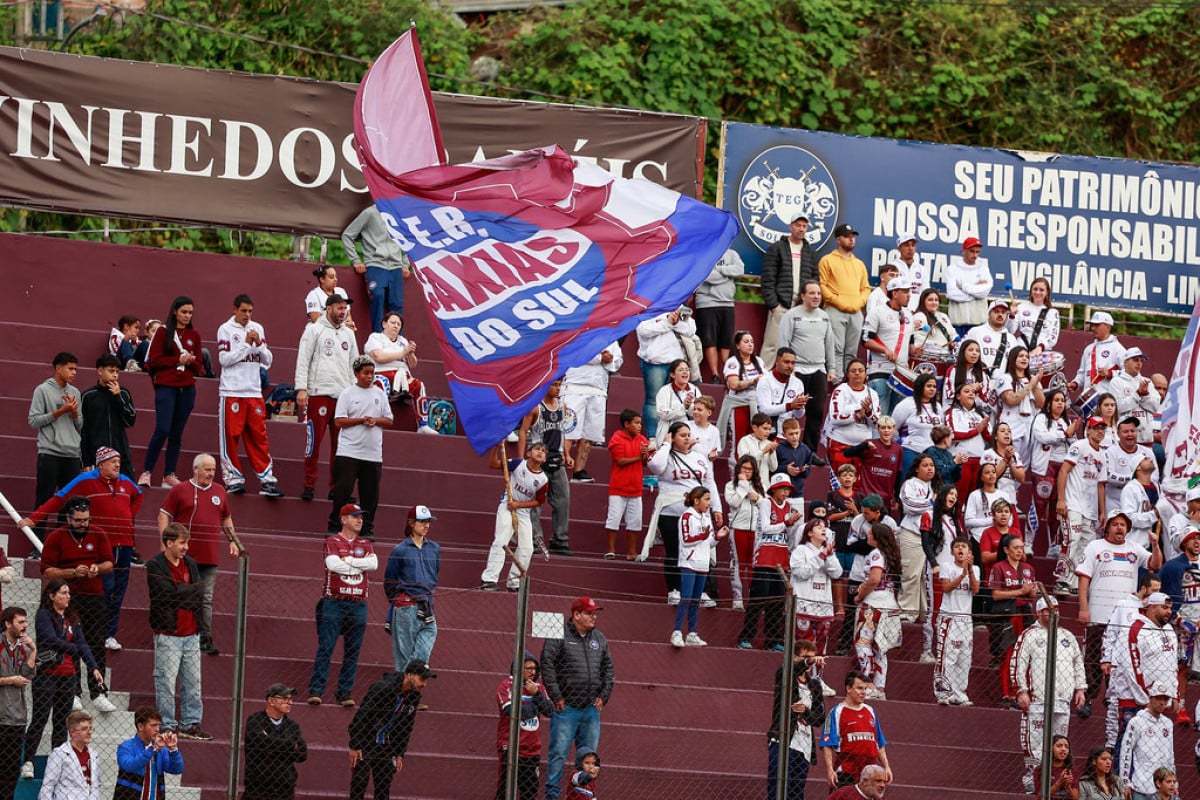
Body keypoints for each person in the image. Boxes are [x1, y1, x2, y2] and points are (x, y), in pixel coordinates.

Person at [20, 447, 141, 653]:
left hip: (125, 543)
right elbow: (60, 498)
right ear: (100, 464)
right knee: (105, 588)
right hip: (103, 545)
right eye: (113, 461)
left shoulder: (126, 482)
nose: (117, 465)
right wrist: (34, 518)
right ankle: (93, 632)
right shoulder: (85, 480)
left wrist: (129, 518)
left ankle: (110, 634)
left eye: (119, 461)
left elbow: (138, 496)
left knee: (119, 590)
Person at [1076, 510, 1162, 722]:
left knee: (1122, 661)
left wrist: (1156, 545)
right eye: (1115, 524)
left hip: (1126, 620)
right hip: (1099, 614)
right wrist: (1083, 608)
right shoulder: (1095, 547)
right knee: (1094, 659)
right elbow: (1083, 579)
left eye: (1123, 524)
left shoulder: (1134, 548)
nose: (1119, 528)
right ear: (1107, 527)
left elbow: (1155, 565)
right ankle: (1088, 699)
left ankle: (1112, 698)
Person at [38, 496, 116, 713]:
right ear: (68, 518)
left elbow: (110, 563)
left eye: (86, 519)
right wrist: (72, 572)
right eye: (79, 520)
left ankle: (99, 691)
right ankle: (74, 693)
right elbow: (46, 570)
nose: (83, 524)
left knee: (96, 644)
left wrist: (96, 569)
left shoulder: (98, 533)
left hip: (94, 596)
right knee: (71, 643)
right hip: (68, 598)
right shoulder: (57, 537)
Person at [158, 453, 238, 656]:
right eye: (207, 469)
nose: (211, 473)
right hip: (183, 555)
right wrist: (164, 542)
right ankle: (174, 633)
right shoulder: (180, 490)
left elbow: (226, 518)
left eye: (213, 469)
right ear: (195, 469)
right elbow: (163, 515)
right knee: (179, 594)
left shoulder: (220, 491)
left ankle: (205, 638)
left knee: (205, 598)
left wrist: (233, 541)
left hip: (209, 557)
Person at [25, 582, 103, 776]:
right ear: (52, 596)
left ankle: (56, 762)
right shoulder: (44, 615)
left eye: (69, 592)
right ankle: (28, 761)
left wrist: (93, 667)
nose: (68, 596)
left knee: (61, 721)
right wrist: (72, 648)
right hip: (47, 675)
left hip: (68, 677)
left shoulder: (71, 618)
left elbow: (82, 643)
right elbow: (50, 639)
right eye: (63, 592)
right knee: (40, 718)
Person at [540, 597, 613, 800]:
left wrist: (603, 697)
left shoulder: (599, 638)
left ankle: (585, 795)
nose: (593, 617)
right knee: (558, 756)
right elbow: (547, 664)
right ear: (576, 615)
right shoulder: (558, 635)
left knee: (588, 758)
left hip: (590, 708)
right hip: (567, 708)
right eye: (589, 613)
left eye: (595, 613)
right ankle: (552, 797)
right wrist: (556, 696)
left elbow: (609, 669)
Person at [1014, 597, 1087, 794]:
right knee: (1035, 742)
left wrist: (1080, 689)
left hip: (1062, 700)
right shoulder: (1029, 635)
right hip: (1037, 699)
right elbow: (1018, 663)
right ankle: (1034, 780)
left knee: (1060, 743)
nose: (1054, 613)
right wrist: (1021, 690)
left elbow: (1078, 664)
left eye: (1056, 609)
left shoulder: (1067, 636)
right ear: (1039, 613)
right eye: (1049, 609)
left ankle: (1057, 781)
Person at [644, 422, 722, 603]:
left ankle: (700, 592)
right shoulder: (666, 456)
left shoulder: (699, 458)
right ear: (672, 437)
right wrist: (666, 444)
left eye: (688, 435)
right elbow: (654, 466)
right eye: (682, 435)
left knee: (701, 552)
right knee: (674, 551)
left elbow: (710, 484)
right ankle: (674, 590)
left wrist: (716, 508)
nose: (687, 438)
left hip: (698, 513)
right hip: (671, 512)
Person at [308, 504, 377, 707]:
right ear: (344, 519)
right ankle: (317, 690)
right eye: (355, 516)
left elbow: (373, 564)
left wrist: (347, 560)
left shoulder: (365, 543)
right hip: (334, 601)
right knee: (326, 647)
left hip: (358, 603)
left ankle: (345, 692)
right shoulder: (332, 540)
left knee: (353, 650)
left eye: (361, 517)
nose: (359, 520)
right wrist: (357, 562)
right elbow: (333, 565)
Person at [145, 523, 208, 740]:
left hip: (191, 633)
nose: (186, 548)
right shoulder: (155, 565)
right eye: (182, 543)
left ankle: (191, 723)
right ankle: (168, 724)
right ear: (169, 543)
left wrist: (180, 592)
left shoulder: (190, 563)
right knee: (166, 683)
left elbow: (200, 592)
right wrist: (186, 592)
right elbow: (164, 595)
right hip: (168, 634)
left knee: (193, 683)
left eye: (187, 543)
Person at [216, 293, 283, 497]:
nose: (247, 315)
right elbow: (224, 360)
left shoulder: (258, 328)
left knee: (259, 437)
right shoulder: (225, 329)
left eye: (250, 311)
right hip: (232, 391)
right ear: (234, 309)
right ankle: (233, 479)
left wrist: (259, 345)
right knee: (231, 436)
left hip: (253, 391)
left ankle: (266, 479)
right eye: (243, 311)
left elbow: (268, 361)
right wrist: (246, 345)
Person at [295, 293, 359, 502]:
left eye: (345, 309)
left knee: (341, 446)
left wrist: (355, 393)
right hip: (319, 393)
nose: (343, 313)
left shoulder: (349, 335)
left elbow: (355, 365)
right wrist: (302, 389)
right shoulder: (314, 329)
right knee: (313, 443)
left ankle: (336, 488)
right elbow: (303, 360)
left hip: (343, 396)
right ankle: (308, 484)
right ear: (329, 308)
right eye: (340, 308)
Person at [140, 298, 202, 489]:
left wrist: (190, 361)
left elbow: (200, 365)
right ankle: (147, 472)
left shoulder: (194, 334)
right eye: (184, 312)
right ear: (175, 311)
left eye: (190, 312)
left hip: (187, 388)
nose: (187, 316)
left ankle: (169, 474)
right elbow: (153, 361)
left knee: (176, 433)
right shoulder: (163, 332)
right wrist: (178, 360)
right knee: (162, 429)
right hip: (166, 386)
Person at [327, 357, 393, 538]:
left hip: (373, 454)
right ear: (357, 374)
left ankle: (366, 529)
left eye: (372, 373)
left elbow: (389, 419)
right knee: (343, 490)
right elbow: (339, 421)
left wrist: (375, 420)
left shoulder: (380, 394)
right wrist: (361, 420)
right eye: (366, 373)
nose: (370, 376)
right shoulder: (348, 393)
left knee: (370, 495)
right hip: (349, 451)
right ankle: (335, 525)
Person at [348, 660, 432, 800]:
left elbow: (407, 726)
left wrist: (400, 753)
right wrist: (355, 745)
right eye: (422, 679)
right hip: (366, 742)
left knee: (383, 787)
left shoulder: (413, 696)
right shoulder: (382, 688)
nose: (424, 684)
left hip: (388, 746)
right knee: (359, 783)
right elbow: (362, 715)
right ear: (410, 675)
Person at [739, 475, 801, 651]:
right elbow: (766, 528)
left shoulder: (789, 507)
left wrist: (792, 525)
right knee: (759, 599)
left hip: (781, 558)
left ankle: (772, 641)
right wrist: (786, 523)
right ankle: (746, 637)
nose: (785, 492)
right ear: (773, 489)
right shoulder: (766, 503)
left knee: (777, 602)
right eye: (782, 488)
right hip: (765, 557)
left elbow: (789, 536)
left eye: (787, 489)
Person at [776, 281, 836, 450]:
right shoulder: (791, 315)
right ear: (802, 295)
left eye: (818, 293)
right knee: (791, 412)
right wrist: (787, 369)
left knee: (816, 412)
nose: (816, 296)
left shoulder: (824, 316)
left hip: (818, 369)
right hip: (797, 370)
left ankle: (810, 451)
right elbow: (783, 344)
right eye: (812, 293)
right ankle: (788, 447)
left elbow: (829, 343)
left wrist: (831, 368)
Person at [28, 352, 83, 529]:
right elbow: (33, 421)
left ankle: (64, 544)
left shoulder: (75, 392)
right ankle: (37, 545)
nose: (74, 373)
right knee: (44, 499)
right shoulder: (42, 390)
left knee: (69, 503)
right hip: (50, 452)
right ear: (58, 368)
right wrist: (60, 411)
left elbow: (80, 425)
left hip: (72, 454)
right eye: (70, 369)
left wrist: (73, 412)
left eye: (76, 369)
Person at [482, 445, 548, 591]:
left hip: (523, 512)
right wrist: (495, 447)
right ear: (529, 453)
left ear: (545, 459)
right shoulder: (518, 464)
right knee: (501, 540)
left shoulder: (543, 480)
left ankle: (514, 583)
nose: (540, 452)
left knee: (527, 548)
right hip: (507, 505)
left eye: (543, 452)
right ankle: (489, 580)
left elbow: (539, 501)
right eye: (537, 449)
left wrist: (519, 504)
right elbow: (493, 464)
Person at [1055, 417, 1109, 596]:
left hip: (1090, 509)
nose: (1100, 432)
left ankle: (1075, 582)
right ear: (1088, 430)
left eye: (1102, 428)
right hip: (1073, 503)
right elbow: (1063, 470)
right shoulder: (1079, 446)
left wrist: (1102, 512)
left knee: (1087, 545)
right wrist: (1061, 500)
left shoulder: (1103, 453)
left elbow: (1101, 485)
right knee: (1072, 539)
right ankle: (1062, 579)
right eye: (1096, 428)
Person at [519, 378, 574, 555]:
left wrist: (566, 454)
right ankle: (535, 540)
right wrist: (521, 460)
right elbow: (523, 432)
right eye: (554, 385)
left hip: (557, 460)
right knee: (535, 505)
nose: (558, 389)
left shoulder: (562, 406)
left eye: (559, 385)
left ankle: (560, 539)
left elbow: (563, 431)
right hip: (537, 462)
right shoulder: (536, 407)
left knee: (563, 502)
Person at [767, 639, 826, 800]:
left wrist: (805, 711)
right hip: (784, 740)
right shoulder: (784, 675)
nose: (810, 662)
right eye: (805, 657)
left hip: (805, 745)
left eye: (812, 657)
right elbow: (789, 671)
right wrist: (808, 662)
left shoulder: (814, 685)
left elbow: (819, 718)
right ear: (794, 657)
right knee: (778, 790)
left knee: (797, 793)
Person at [384, 505, 441, 671]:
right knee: (404, 654)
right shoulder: (400, 549)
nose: (426, 525)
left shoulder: (435, 548)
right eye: (422, 521)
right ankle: (405, 691)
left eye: (428, 521)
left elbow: (434, 574)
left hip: (427, 605)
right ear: (411, 523)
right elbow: (390, 581)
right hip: (406, 605)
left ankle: (412, 677)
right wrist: (399, 601)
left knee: (429, 635)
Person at [672, 487, 728, 648]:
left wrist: (718, 537)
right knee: (686, 598)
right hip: (689, 563)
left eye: (710, 499)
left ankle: (692, 633)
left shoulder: (706, 517)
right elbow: (686, 540)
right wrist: (702, 536)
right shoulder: (687, 516)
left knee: (696, 600)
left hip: (703, 564)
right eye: (707, 499)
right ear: (696, 500)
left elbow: (709, 543)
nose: (709, 503)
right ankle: (676, 631)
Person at [761, 214, 819, 367]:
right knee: (772, 345)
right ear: (790, 226)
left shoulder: (810, 252)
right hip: (781, 304)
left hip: (802, 307)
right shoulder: (777, 248)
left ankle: (794, 382)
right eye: (798, 225)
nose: (801, 229)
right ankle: (762, 378)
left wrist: (809, 304)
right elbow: (767, 279)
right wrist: (774, 305)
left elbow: (815, 280)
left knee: (798, 346)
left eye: (804, 226)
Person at [494, 653, 554, 800]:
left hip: (532, 749)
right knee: (505, 790)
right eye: (528, 668)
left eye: (534, 668)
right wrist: (535, 705)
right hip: (510, 747)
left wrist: (537, 695)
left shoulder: (538, 688)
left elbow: (550, 711)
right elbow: (512, 711)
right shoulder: (506, 686)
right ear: (518, 668)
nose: (532, 672)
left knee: (530, 792)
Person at [853, 524, 902, 699]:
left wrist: (860, 594)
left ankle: (868, 684)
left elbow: (874, 579)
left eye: (871, 533)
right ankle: (880, 687)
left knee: (863, 643)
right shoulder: (891, 555)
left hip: (873, 604)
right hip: (890, 603)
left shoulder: (875, 554)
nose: (868, 534)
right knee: (880, 648)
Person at [342, 204, 411, 329]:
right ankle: (377, 338)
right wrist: (356, 260)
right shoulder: (370, 213)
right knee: (378, 296)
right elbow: (347, 235)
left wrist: (405, 264)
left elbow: (410, 238)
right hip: (375, 264)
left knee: (396, 304)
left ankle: (397, 342)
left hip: (396, 266)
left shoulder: (399, 212)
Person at [820, 671, 893, 789]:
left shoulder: (870, 711)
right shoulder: (837, 712)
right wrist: (829, 770)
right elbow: (827, 744)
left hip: (869, 771)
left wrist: (887, 766)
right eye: (859, 688)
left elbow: (879, 742)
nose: (863, 692)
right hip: (847, 770)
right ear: (848, 688)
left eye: (865, 689)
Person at [562, 342, 622, 482]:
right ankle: (558, 467)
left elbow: (618, 360)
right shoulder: (580, 331)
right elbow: (574, 352)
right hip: (575, 385)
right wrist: (599, 358)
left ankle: (579, 470)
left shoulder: (611, 337)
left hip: (598, 388)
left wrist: (610, 359)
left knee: (591, 433)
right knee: (568, 429)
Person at [635, 308, 696, 442]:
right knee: (653, 400)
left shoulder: (677, 304)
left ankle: (677, 436)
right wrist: (667, 322)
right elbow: (643, 330)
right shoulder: (647, 305)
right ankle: (652, 437)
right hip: (655, 362)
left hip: (677, 362)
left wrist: (675, 323)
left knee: (681, 398)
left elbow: (691, 330)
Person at [990, 535, 1037, 705]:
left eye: (1021, 547)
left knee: (1025, 655)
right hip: (1007, 615)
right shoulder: (998, 567)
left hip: (1025, 614)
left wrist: (1032, 591)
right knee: (1008, 655)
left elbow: (1031, 595)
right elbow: (995, 595)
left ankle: (1021, 692)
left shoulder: (1028, 568)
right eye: (1015, 547)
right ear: (1006, 550)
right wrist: (1019, 591)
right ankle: (1007, 693)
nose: (1019, 551)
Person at [818, 223, 871, 375]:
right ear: (838, 239)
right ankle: (835, 381)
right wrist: (838, 301)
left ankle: (850, 381)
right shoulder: (827, 260)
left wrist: (859, 303)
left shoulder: (859, 264)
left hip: (856, 312)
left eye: (853, 237)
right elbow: (822, 285)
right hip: (835, 309)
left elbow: (865, 288)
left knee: (851, 350)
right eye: (847, 237)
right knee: (836, 348)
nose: (851, 240)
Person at [1031, 389, 1078, 557]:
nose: (1060, 403)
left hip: (1062, 468)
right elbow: (1042, 437)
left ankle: (1054, 545)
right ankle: (1028, 542)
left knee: (1056, 508)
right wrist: (1065, 434)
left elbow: (1074, 444)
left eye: (1062, 400)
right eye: (1056, 400)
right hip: (1045, 467)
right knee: (1039, 506)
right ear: (1049, 403)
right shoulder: (1041, 418)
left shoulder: (1066, 421)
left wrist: (1070, 436)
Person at [364, 313, 429, 428]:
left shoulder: (403, 341)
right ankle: (378, 419)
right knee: (382, 382)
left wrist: (410, 352)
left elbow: (413, 364)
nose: (396, 326)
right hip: (381, 373)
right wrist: (402, 353)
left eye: (399, 324)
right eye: (393, 323)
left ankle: (423, 425)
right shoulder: (375, 337)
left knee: (419, 385)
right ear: (384, 324)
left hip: (403, 377)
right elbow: (378, 356)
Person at [243, 684, 307, 800]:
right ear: (271, 701)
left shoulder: (293, 726)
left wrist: (271, 745)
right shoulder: (255, 720)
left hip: (285, 788)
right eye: (285, 699)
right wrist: (290, 745)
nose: (290, 702)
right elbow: (259, 743)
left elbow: (302, 755)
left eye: (290, 699)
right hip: (258, 788)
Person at [934, 538, 978, 706]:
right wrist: (962, 575)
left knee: (964, 658)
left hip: (966, 619)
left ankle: (960, 693)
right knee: (947, 657)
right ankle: (944, 692)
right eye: (957, 546)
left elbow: (975, 590)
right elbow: (946, 588)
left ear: (969, 552)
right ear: (952, 552)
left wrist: (970, 572)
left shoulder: (976, 569)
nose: (960, 549)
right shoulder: (947, 567)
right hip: (949, 617)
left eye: (964, 546)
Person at [861, 276, 915, 415]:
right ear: (894, 293)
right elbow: (866, 340)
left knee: (895, 421)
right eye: (904, 291)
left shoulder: (909, 315)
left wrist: (917, 351)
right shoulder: (877, 312)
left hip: (901, 374)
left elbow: (911, 345)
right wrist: (885, 350)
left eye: (909, 291)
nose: (908, 295)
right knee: (880, 418)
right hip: (880, 370)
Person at [79, 353, 137, 481]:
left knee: (128, 493)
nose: (115, 375)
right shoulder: (88, 396)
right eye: (111, 371)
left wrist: (117, 397)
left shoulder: (123, 393)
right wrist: (85, 462)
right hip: (98, 457)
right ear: (100, 371)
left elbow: (130, 421)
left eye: (117, 371)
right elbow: (83, 431)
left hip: (121, 455)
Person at [791, 518, 842, 656]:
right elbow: (802, 573)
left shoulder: (827, 552)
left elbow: (837, 573)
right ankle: (799, 675)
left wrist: (829, 556)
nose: (823, 529)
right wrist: (820, 557)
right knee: (802, 647)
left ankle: (817, 676)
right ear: (809, 533)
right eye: (819, 527)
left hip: (823, 606)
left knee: (820, 648)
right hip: (803, 604)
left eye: (824, 527)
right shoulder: (800, 551)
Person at [896, 453, 938, 622]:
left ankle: (921, 613)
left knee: (923, 576)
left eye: (932, 465)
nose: (930, 468)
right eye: (926, 465)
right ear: (916, 469)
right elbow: (909, 505)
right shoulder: (910, 484)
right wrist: (931, 503)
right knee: (910, 574)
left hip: (930, 537)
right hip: (911, 534)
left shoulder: (937, 486)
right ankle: (906, 611)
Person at [604, 410, 651, 561]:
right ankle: (611, 549)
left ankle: (632, 552)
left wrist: (645, 456)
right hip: (618, 487)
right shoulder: (616, 438)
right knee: (613, 519)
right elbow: (620, 461)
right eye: (636, 423)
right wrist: (640, 456)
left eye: (640, 423)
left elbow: (644, 463)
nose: (639, 426)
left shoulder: (642, 439)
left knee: (635, 521)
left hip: (635, 487)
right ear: (626, 424)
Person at [0, 606, 36, 796]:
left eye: (26, 621)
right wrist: (10, 680)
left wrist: (33, 651)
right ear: (7, 624)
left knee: (11, 770)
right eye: (20, 622)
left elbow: (26, 676)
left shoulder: (22, 648)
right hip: (1, 716)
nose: (25, 625)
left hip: (17, 717)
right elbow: (16, 679)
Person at [113, 706, 183, 800]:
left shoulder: (160, 749)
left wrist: (173, 749)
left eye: (158, 725)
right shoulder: (126, 747)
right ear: (140, 726)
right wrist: (153, 749)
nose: (158, 729)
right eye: (153, 725)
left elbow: (176, 769)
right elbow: (129, 766)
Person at [1116, 686, 1174, 800]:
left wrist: (1174, 782)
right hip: (1140, 785)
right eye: (1158, 698)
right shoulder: (1136, 722)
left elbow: (1171, 755)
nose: (1162, 702)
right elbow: (1126, 752)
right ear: (1150, 698)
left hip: (1163, 787)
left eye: (1165, 699)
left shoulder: (1168, 723)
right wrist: (1125, 782)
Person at [694, 248, 743, 381]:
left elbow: (740, 270)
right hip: (706, 303)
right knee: (709, 340)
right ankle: (715, 374)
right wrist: (727, 273)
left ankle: (728, 375)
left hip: (727, 303)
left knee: (726, 342)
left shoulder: (732, 253)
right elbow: (706, 275)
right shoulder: (704, 252)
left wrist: (720, 270)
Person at [824, 360, 881, 474]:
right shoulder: (840, 391)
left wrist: (868, 412)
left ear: (866, 374)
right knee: (841, 484)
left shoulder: (872, 394)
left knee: (858, 487)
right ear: (848, 373)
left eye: (860, 371)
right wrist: (856, 415)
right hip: (840, 444)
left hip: (863, 447)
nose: (857, 373)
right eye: (853, 371)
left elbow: (876, 424)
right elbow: (835, 418)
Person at [843, 416, 904, 521]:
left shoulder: (898, 449)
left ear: (894, 429)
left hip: (885, 500)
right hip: (867, 497)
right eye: (883, 428)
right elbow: (847, 453)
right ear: (878, 429)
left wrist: (897, 497)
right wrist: (863, 446)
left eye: (889, 428)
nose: (886, 431)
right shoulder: (870, 444)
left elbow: (898, 474)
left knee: (882, 532)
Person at [727, 454, 765, 612]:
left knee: (753, 564)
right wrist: (743, 485)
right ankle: (737, 597)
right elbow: (734, 502)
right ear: (738, 469)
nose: (747, 471)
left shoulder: (759, 485)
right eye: (744, 468)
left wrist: (757, 499)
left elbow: (765, 504)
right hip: (738, 528)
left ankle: (753, 598)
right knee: (738, 563)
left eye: (750, 469)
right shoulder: (731, 485)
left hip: (756, 530)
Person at [719, 330, 767, 455]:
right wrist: (753, 381)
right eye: (746, 342)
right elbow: (734, 384)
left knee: (755, 442)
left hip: (756, 406)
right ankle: (735, 472)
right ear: (737, 345)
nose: (750, 344)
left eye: (752, 342)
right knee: (739, 442)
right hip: (738, 406)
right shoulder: (732, 362)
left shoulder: (759, 361)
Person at [38, 710, 99, 800]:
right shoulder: (60, 753)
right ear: (72, 732)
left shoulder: (94, 755)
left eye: (90, 728)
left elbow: (95, 784)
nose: (89, 732)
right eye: (84, 729)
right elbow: (48, 785)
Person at [891, 372, 942, 476]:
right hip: (911, 450)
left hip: (932, 453)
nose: (932, 389)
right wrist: (900, 444)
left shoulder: (938, 406)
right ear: (920, 386)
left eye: (934, 387)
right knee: (907, 482)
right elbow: (893, 427)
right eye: (928, 386)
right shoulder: (907, 404)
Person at [755, 347, 809, 440]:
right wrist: (790, 406)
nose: (790, 366)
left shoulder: (797, 383)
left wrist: (799, 406)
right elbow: (765, 410)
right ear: (777, 362)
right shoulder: (765, 381)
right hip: (768, 435)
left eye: (793, 363)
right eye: (786, 362)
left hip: (788, 436)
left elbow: (799, 415)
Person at [1108, 349, 1159, 447]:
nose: (1139, 363)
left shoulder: (1147, 381)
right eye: (1135, 360)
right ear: (1125, 362)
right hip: (1125, 438)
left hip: (1146, 437)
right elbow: (1116, 408)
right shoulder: (1116, 382)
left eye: (1141, 361)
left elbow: (1155, 407)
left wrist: (1144, 395)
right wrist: (1138, 394)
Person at [1068, 311, 1125, 395]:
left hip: (1108, 402)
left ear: (1108, 327)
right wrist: (1075, 384)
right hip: (1088, 399)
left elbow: (1129, 374)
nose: (1093, 328)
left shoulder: (1118, 348)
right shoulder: (1088, 349)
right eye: (1092, 325)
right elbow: (1082, 374)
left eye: (1097, 325)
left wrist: (1110, 373)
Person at [945, 237, 992, 334]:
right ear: (964, 251)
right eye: (972, 251)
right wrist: (975, 291)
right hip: (958, 324)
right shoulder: (952, 269)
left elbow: (984, 292)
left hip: (979, 324)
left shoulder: (983, 268)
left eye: (977, 252)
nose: (975, 255)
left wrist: (964, 287)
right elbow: (952, 293)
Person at [965, 299, 1016, 378]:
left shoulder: (1011, 338)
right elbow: (960, 352)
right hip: (978, 381)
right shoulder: (975, 332)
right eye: (996, 311)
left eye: (1003, 312)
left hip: (1002, 384)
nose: (1000, 314)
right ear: (989, 314)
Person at [1010, 277, 1060, 354]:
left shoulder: (1053, 313)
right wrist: (1012, 316)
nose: (1037, 292)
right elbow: (1010, 330)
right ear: (1031, 291)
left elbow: (1053, 337)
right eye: (1035, 289)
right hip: (1022, 351)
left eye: (1041, 290)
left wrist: (1041, 347)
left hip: (1042, 353)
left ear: (1047, 292)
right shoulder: (1021, 307)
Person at [654, 359, 698, 445]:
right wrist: (683, 407)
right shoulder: (665, 391)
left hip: (689, 435)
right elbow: (662, 413)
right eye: (681, 370)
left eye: (687, 370)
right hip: (669, 435)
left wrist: (689, 407)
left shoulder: (694, 389)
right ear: (672, 374)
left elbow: (700, 411)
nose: (685, 372)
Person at [943, 338, 992, 409]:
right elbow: (949, 395)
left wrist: (979, 390)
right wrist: (971, 388)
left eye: (977, 351)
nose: (974, 353)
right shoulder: (953, 370)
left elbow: (987, 400)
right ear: (963, 352)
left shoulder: (983, 374)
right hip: (955, 411)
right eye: (970, 350)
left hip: (975, 412)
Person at [737, 412, 780, 488]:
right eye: (765, 428)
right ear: (754, 428)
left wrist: (771, 453)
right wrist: (763, 452)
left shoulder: (768, 443)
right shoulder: (745, 441)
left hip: (764, 487)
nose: (767, 432)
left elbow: (773, 468)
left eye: (769, 429)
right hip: (748, 485)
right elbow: (745, 462)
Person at [911, 288, 957, 352]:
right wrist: (935, 345)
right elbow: (916, 337)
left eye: (936, 300)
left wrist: (953, 342)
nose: (934, 302)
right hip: (928, 356)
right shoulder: (919, 316)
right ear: (923, 301)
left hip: (946, 355)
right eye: (930, 300)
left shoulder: (943, 316)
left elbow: (953, 333)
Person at [893, 232, 927, 311]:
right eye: (906, 245)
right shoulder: (893, 267)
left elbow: (926, 294)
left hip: (917, 314)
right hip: (897, 313)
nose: (910, 248)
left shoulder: (922, 269)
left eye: (913, 245)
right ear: (899, 248)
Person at [1042, 734, 1079, 800]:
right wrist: (1060, 782)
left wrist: (1068, 787)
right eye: (1059, 746)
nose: (1063, 749)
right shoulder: (1041, 770)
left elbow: (1076, 798)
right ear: (1050, 748)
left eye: (1066, 747)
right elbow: (1041, 796)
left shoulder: (1072, 770)